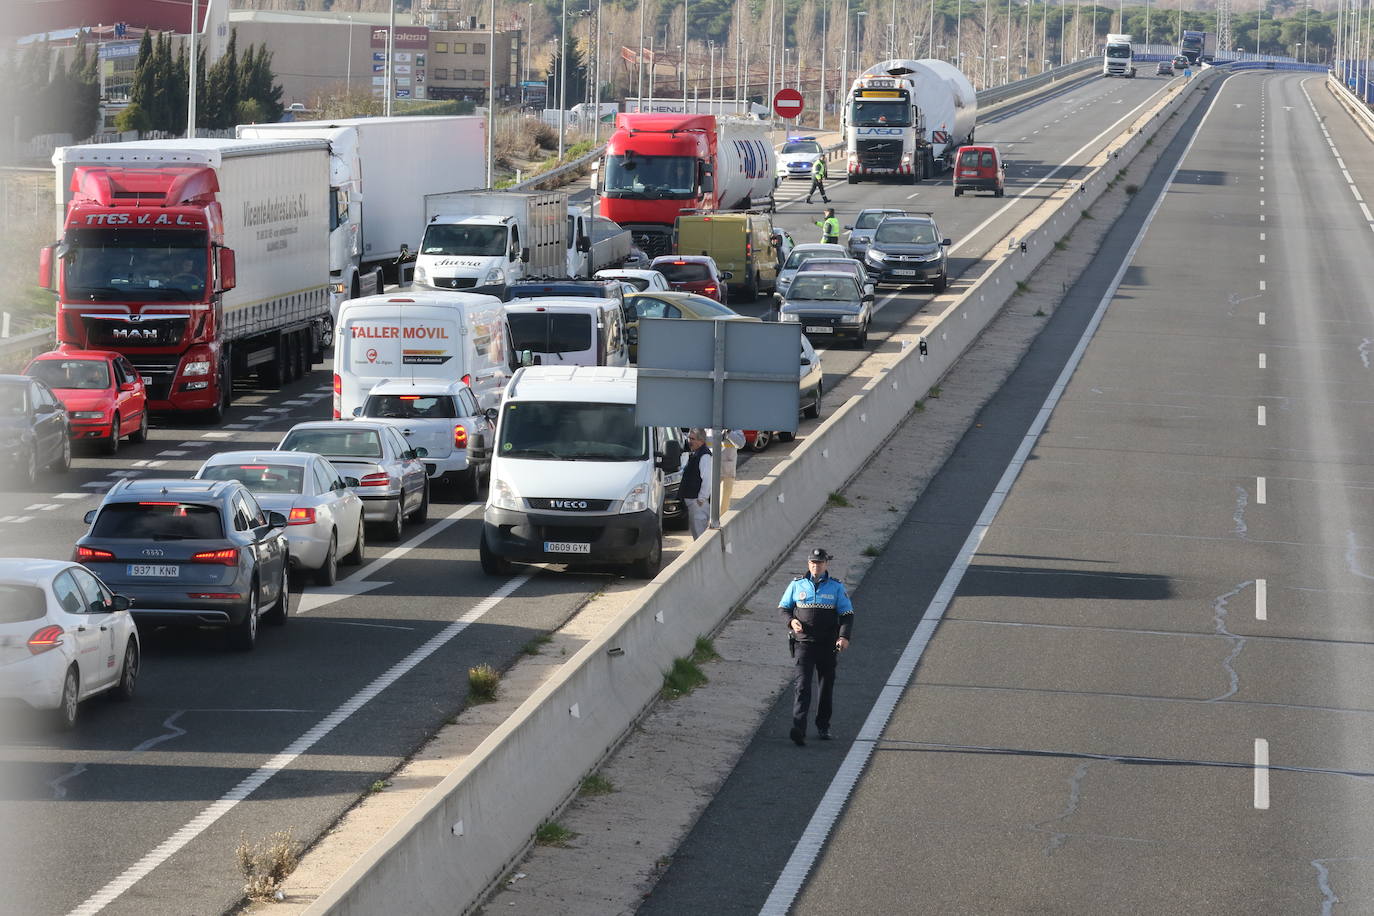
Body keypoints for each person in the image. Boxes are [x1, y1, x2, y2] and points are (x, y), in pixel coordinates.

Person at [778, 547, 854, 745]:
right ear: (808, 564)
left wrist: (843, 637)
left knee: (825, 686)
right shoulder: (797, 585)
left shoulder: (836, 587)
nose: (815, 566)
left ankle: (823, 725)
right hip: (803, 644)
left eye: (819, 563)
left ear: (826, 564)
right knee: (802, 686)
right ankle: (798, 729)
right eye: (812, 562)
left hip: (828, 645)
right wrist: (791, 621)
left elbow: (847, 614)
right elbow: (784, 607)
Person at [679, 428, 713, 538]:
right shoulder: (696, 453)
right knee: (696, 534)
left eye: (692, 439)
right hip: (693, 502)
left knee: (700, 537)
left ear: (701, 440)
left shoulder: (704, 456)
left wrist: (701, 499)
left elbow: (707, 479)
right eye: (689, 438)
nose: (690, 441)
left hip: (698, 504)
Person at [713, 428, 744, 513]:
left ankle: (720, 524)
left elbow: (741, 443)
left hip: (726, 474)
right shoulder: (707, 427)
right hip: (709, 471)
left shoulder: (734, 428)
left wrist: (729, 433)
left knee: (722, 506)